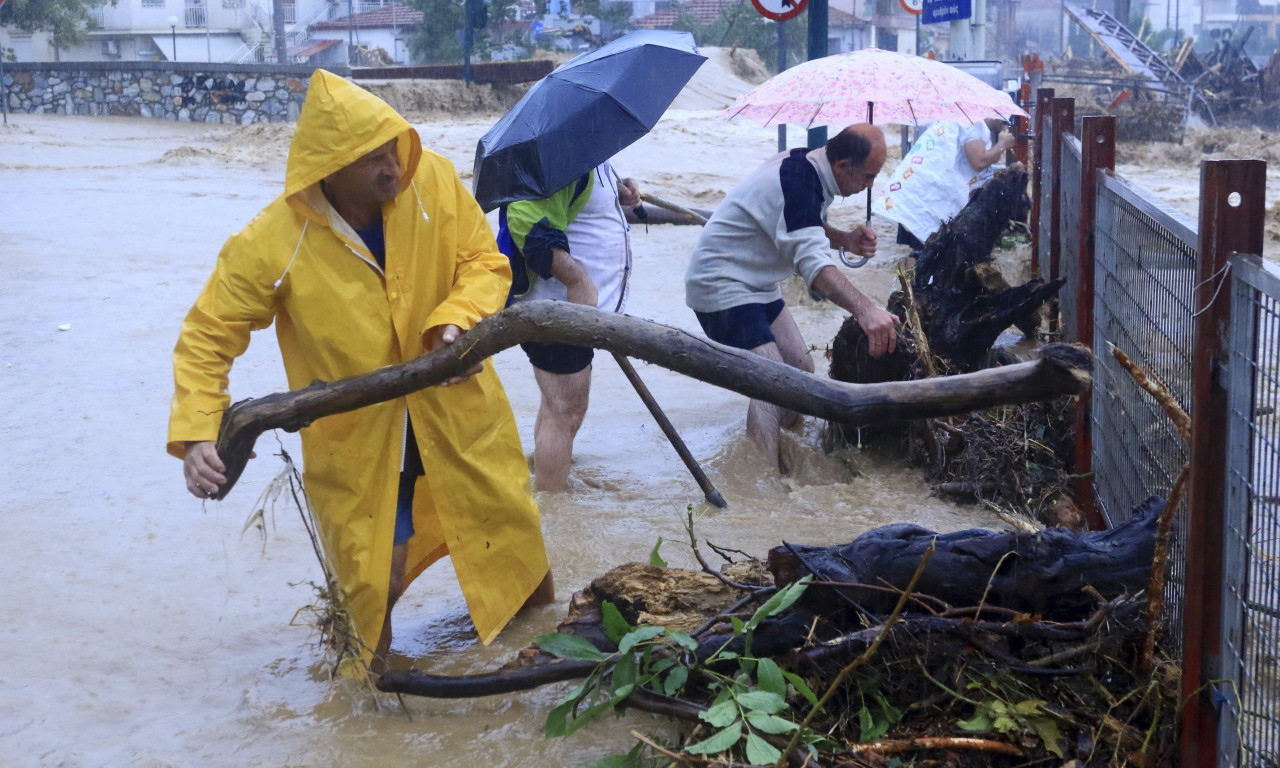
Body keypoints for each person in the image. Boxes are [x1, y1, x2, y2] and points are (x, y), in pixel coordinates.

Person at [168, 70, 552, 674]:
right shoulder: (275, 239)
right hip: (361, 434)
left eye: (393, 148)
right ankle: (363, 687)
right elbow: (208, 335)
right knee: (376, 569)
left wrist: (456, 322)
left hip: (457, 407)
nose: (391, 168)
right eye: (371, 158)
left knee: (509, 533)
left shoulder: (433, 182)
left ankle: (538, 661)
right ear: (328, 168)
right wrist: (197, 431)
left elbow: (484, 261)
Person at [685, 124, 900, 469]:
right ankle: (761, 487)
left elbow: (798, 222)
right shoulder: (799, 182)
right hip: (720, 285)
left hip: (757, 284)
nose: (870, 186)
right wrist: (865, 310)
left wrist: (843, 238)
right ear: (843, 166)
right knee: (769, 381)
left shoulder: (807, 163)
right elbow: (815, 270)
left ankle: (778, 453)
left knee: (800, 368)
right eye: (868, 176)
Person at [497, 162, 640, 492]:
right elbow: (527, 222)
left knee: (558, 407)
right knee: (565, 410)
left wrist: (617, 191)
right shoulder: (559, 160)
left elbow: (577, 203)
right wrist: (576, 278)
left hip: (575, 311)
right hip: (557, 310)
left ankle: (543, 484)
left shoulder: (589, 156)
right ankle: (553, 509)